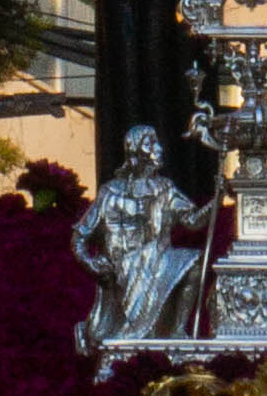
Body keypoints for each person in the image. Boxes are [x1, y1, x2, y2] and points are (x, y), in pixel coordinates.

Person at [72, 122, 202, 358]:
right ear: (134, 151)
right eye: (149, 142)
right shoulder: (110, 193)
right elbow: (80, 236)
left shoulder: (165, 189)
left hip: (156, 259)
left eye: (156, 142)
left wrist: (218, 199)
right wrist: (88, 262)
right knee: (149, 261)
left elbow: (193, 221)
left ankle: (177, 332)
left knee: (193, 265)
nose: (158, 148)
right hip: (122, 266)